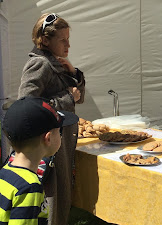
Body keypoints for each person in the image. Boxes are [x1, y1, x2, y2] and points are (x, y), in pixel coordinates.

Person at [18, 13, 85, 225]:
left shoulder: (55, 63)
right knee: (52, 201)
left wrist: (74, 73)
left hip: (57, 144)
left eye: (68, 39)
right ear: (45, 40)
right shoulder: (40, 64)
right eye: (63, 40)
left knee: (60, 200)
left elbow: (78, 98)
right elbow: (27, 104)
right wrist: (66, 97)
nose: (68, 45)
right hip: (46, 149)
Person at [0, 97, 79, 225]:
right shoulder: (29, 187)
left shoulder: (5, 172)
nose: (60, 136)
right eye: (59, 132)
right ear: (48, 138)